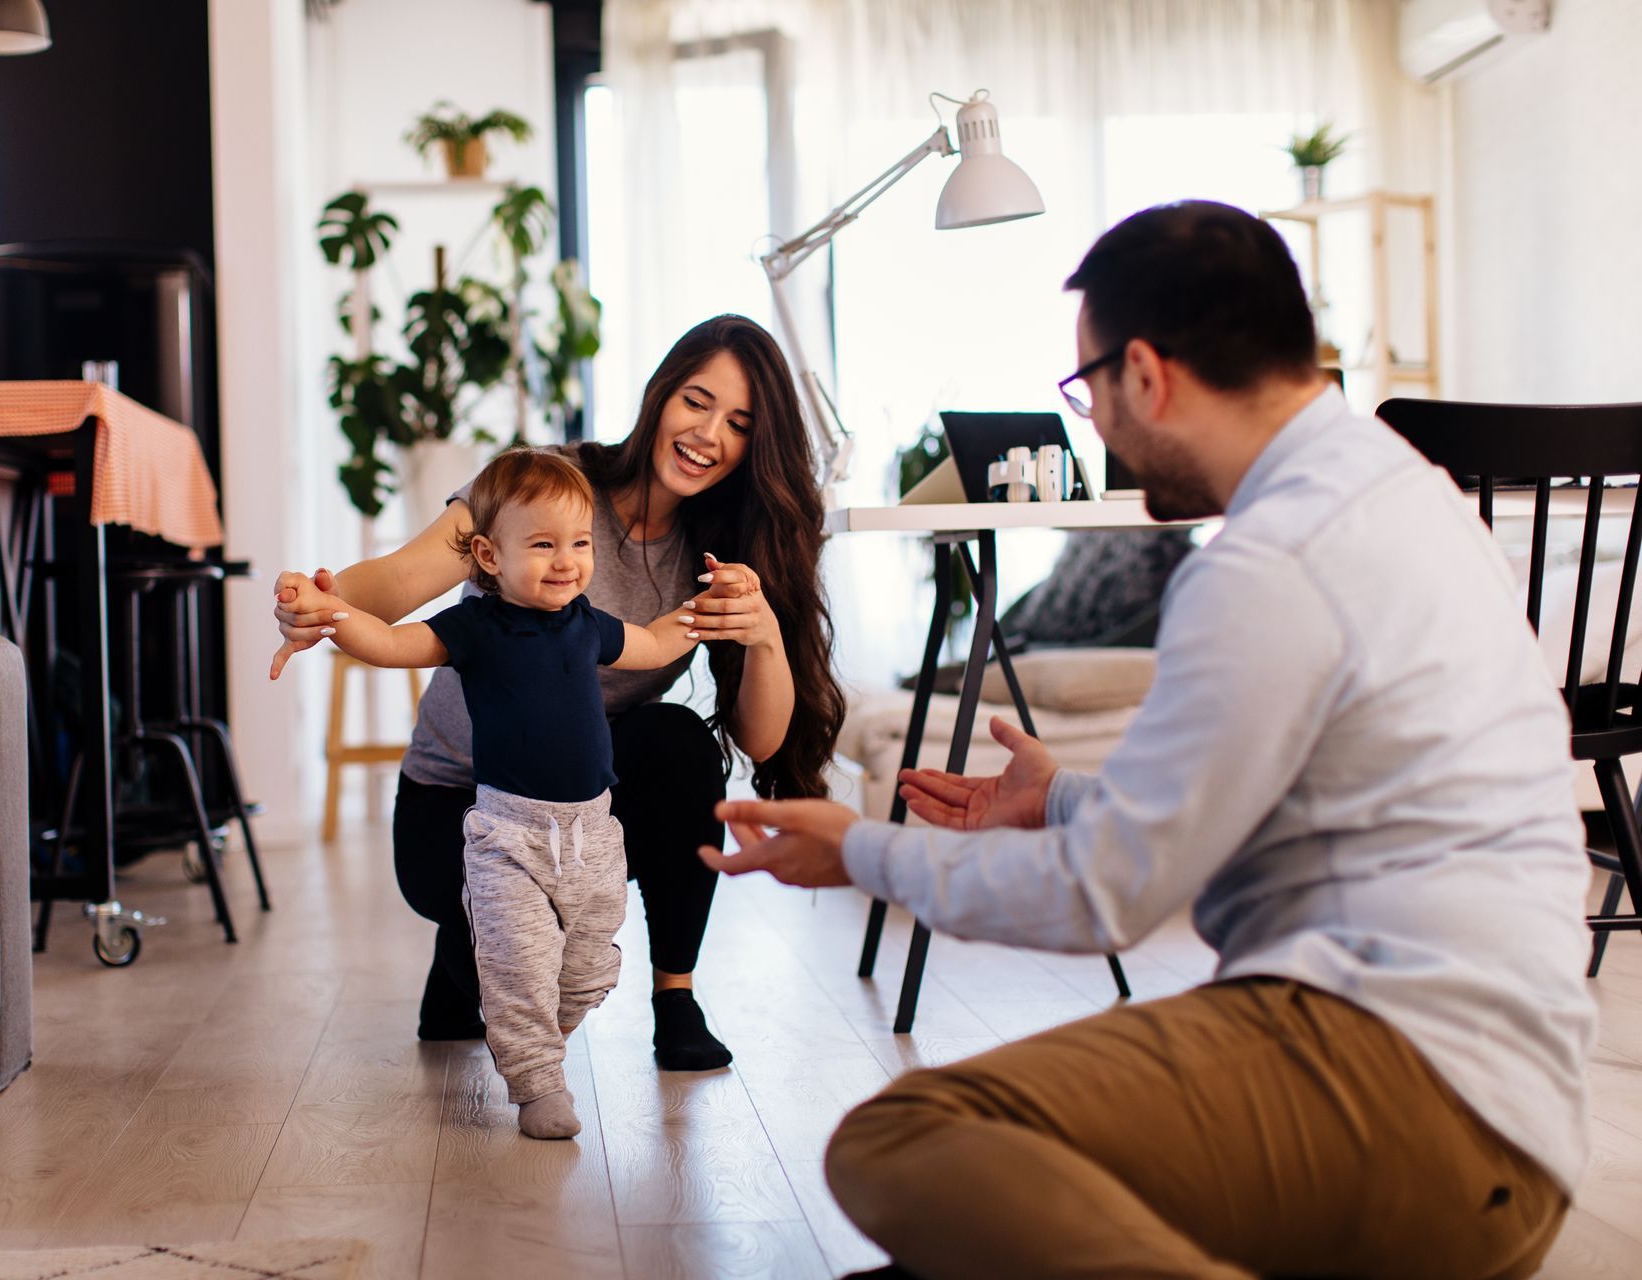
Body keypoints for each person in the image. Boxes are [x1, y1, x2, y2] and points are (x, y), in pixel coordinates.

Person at [700, 202, 1596, 1279]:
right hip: (1498, 1106)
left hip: (1414, 1083)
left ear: (1147, 374)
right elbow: (1261, 792)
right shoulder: (1402, 495)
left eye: (1085, 392)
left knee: (907, 1136)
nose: (1094, 427)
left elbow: (1102, 896)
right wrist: (1063, 796)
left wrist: (857, 847)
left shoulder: (1272, 558)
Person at [274, 314, 846, 1071]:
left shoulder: (724, 546)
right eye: (697, 401)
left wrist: (765, 634)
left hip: (580, 812)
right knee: (495, 983)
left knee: (679, 745)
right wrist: (324, 601)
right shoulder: (542, 485)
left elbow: (763, 741)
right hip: (461, 804)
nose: (708, 433)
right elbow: (403, 579)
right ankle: (468, 949)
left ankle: (675, 999)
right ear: (661, 394)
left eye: (738, 424)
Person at [274, 449, 700, 1137]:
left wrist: (700, 614)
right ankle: (537, 1084)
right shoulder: (475, 627)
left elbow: (651, 645)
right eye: (542, 545)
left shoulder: (587, 622)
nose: (566, 561)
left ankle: (536, 1037)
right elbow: (385, 642)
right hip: (508, 838)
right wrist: (329, 611)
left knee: (588, 971)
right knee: (519, 967)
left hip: (593, 836)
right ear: (489, 555)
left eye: (579, 544)